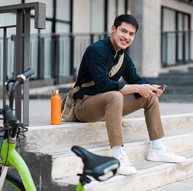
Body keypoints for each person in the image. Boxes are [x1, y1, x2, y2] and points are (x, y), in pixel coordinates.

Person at [73, 14, 185, 175]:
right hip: (84, 105)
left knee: (149, 97)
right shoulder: (96, 50)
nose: (126, 37)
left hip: (107, 105)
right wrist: (137, 88)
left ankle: (158, 148)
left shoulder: (123, 56)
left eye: (131, 34)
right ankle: (118, 157)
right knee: (115, 95)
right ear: (113, 29)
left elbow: (136, 79)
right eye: (123, 31)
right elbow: (104, 85)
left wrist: (149, 87)